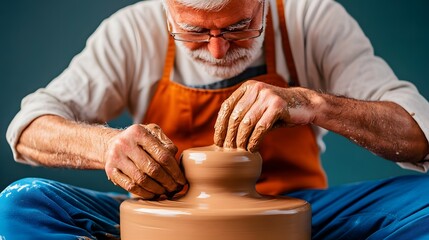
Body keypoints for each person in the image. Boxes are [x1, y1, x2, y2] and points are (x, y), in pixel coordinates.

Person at [1, 0, 429, 239]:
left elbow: (419, 134)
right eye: (193, 32)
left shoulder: (311, 19)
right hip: (165, 217)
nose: (218, 49)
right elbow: (28, 129)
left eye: (239, 27)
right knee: (22, 203)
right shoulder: (131, 31)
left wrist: (314, 103)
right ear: (168, 10)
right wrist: (105, 146)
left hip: (292, 218)